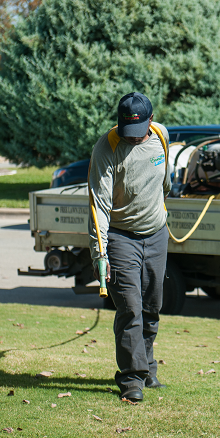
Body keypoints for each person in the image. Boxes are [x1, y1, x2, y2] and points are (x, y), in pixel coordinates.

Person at [88, 91, 171, 403]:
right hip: (122, 239)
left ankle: (148, 369)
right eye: (127, 132)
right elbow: (99, 207)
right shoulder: (107, 148)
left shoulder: (161, 136)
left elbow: (165, 180)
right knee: (130, 308)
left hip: (157, 234)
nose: (133, 139)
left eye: (139, 133)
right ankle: (131, 379)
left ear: (150, 121)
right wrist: (101, 254)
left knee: (152, 307)